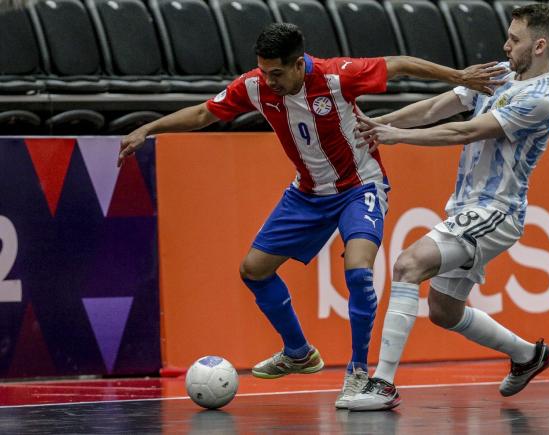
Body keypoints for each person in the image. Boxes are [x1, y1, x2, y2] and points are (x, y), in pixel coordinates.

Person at [117, 23, 503, 409]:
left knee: (358, 270)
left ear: (300, 64)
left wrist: (458, 76)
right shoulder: (255, 86)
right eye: (263, 70)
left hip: (360, 187)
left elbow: (398, 64)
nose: (268, 80)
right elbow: (204, 113)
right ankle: (298, 353)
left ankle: (357, 373)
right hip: (307, 194)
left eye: (277, 72)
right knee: (254, 269)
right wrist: (148, 129)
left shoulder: (338, 76)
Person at [347, 3, 549, 411]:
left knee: (409, 264)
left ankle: (382, 384)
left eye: (514, 40)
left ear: (539, 46)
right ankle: (528, 355)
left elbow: (466, 130)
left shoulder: (545, 98)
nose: (505, 45)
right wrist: (377, 125)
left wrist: (396, 136)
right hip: (467, 207)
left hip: (496, 211)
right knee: (444, 312)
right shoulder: (500, 74)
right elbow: (436, 108)